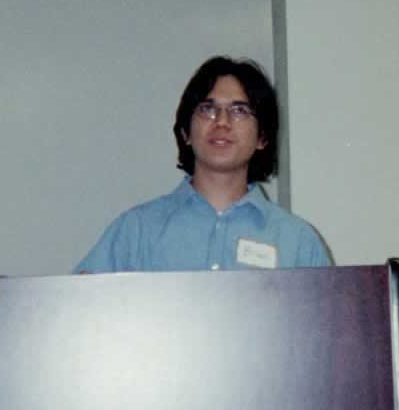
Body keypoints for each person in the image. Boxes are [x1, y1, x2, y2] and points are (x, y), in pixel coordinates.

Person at [75, 56, 330, 272]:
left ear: (262, 137)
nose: (222, 122)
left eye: (240, 111)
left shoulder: (298, 242)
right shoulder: (135, 231)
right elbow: (77, 312)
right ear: (186, 131)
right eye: (207, 109)